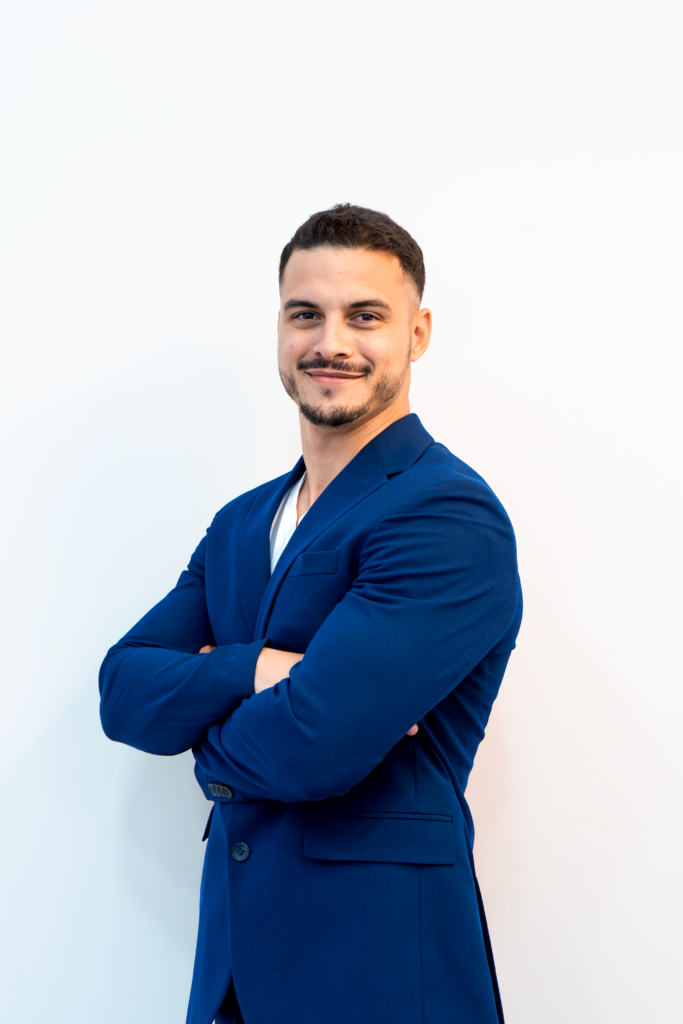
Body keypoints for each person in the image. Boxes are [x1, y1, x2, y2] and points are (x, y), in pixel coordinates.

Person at [99, 203, 522, 1024]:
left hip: (379, 973)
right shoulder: (240, 523)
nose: (331, 341)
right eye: (305, 314)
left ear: (416, 333)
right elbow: (123, 691)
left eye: (365, 316)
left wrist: (204, 725)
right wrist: (254, 669)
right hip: (233, 974)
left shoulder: (445, 514)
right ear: (279, 329)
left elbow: (312, 745)